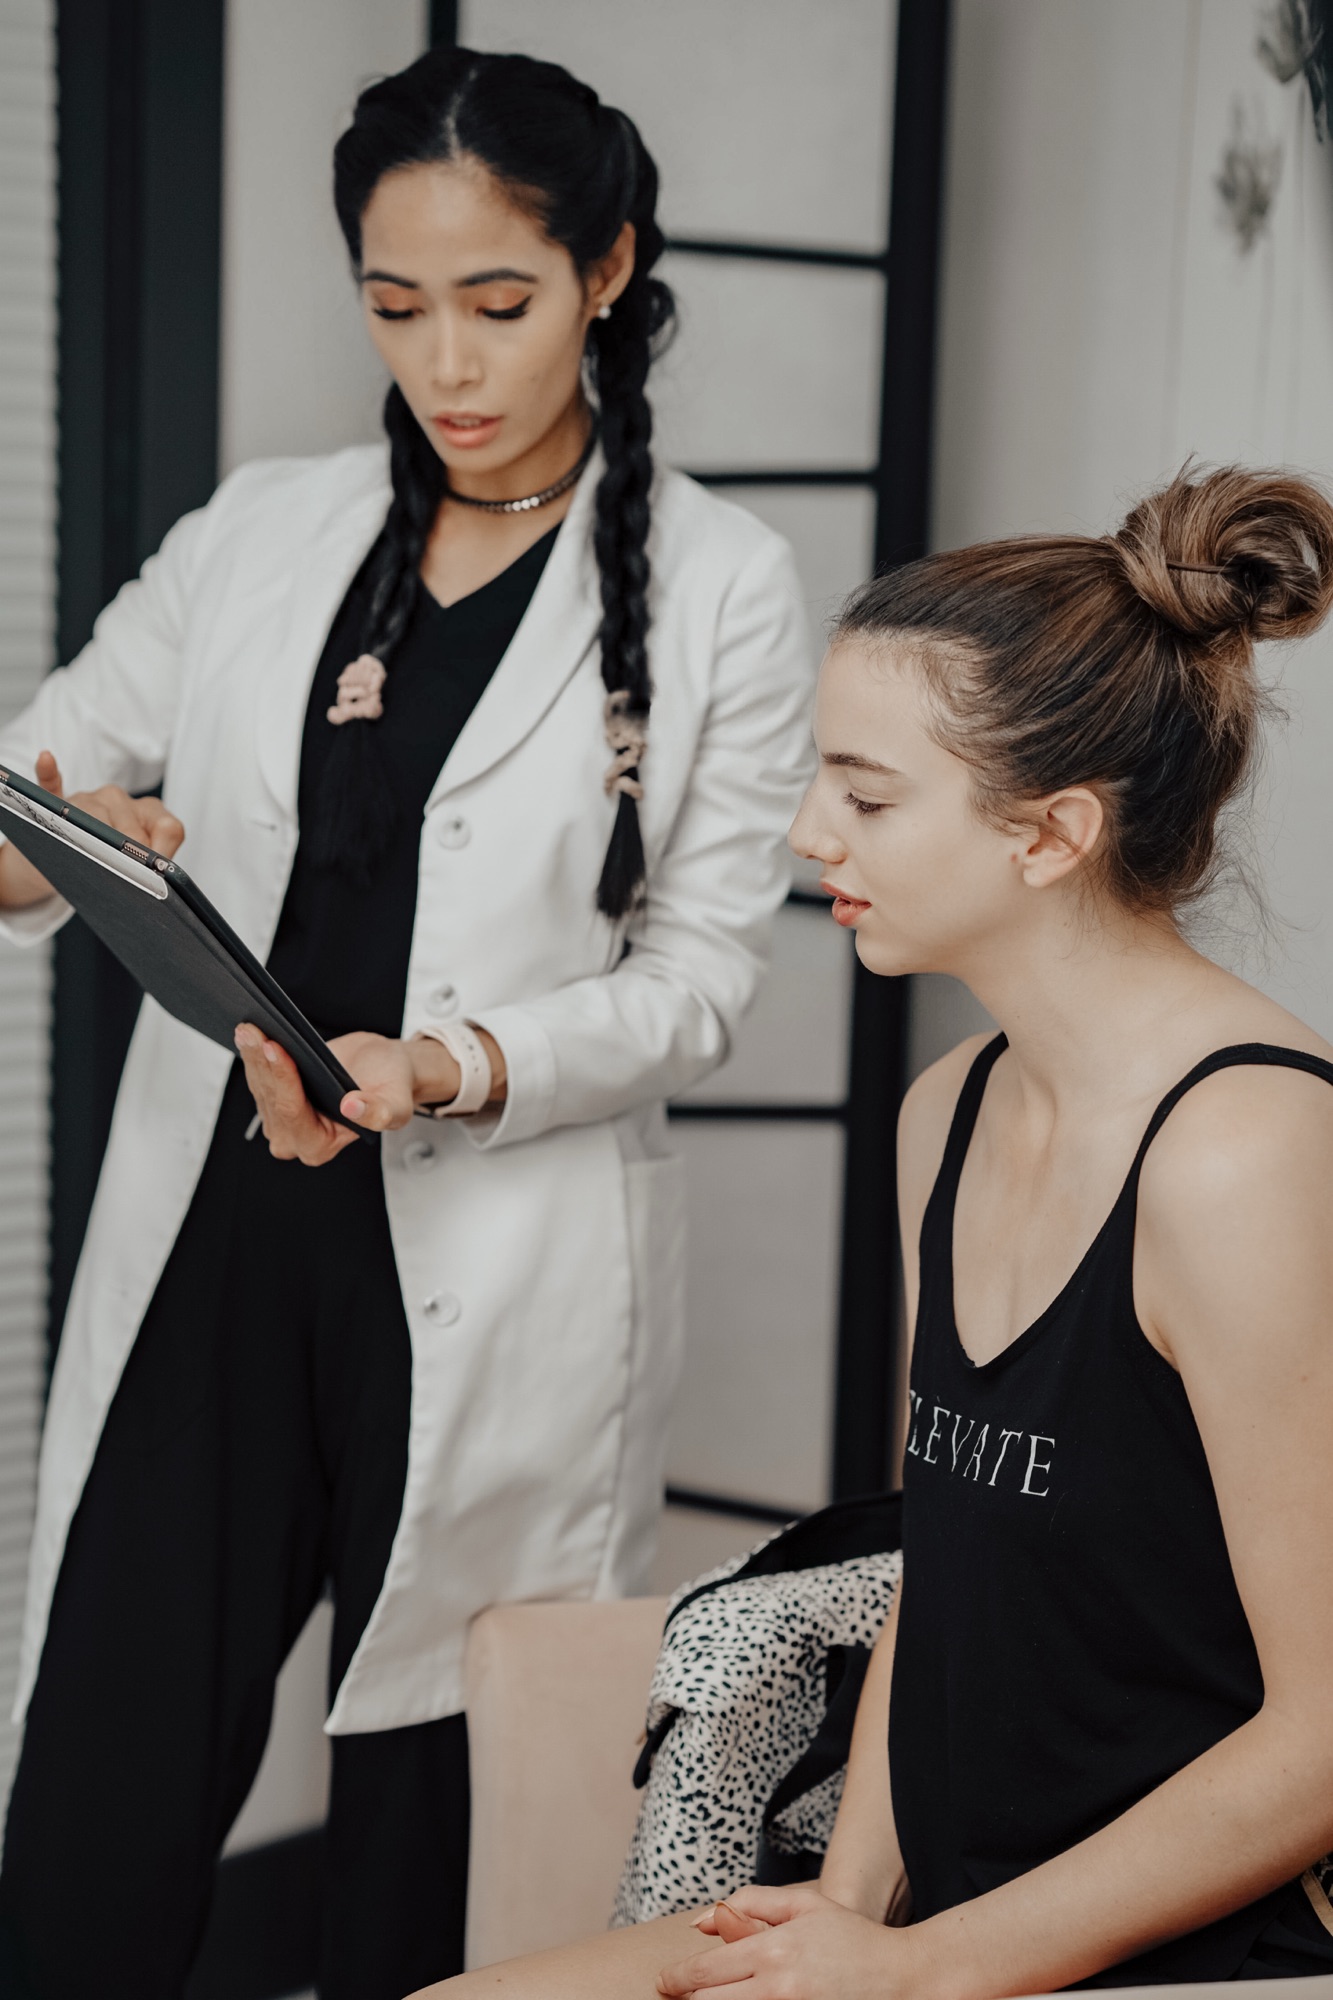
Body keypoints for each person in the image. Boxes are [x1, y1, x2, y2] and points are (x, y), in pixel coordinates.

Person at [0, 45, 812, 2000]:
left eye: (499, 302)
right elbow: (26, 800)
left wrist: (458, 1065)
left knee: (438, 1851)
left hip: (494, 1267)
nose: (446, 362)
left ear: (606, 270)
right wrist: (71, 846)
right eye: (395, 303)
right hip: (217, 1245)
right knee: (93, 1805)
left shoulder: (723, 584)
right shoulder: (258, 532)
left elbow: (703, 981)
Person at [421, 464, 1333, 1999]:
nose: (805, 832)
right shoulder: (950, 1109)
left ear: (1049, 834)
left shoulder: (1245, 1155)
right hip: (949, 1919)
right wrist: (846, 1902)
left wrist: (925, 1970)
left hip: (1195, 1951)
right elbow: (951, 1558)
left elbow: (1322, 1737)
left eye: (865, 794)